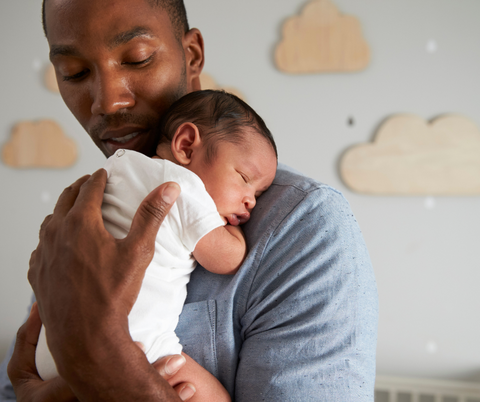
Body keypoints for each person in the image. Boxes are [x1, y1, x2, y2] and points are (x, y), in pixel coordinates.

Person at [0, 0, 379, 400]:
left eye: (138, 59)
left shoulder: (304, 227)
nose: (108, 101)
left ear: (192, 55)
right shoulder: (83, 216)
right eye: (74, 73)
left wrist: (109, 367)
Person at [35, 89, 278, 396]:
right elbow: (227, 259)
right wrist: (233, 232)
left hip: (51, 350)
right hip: (135, 345)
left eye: (258, 195)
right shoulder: (184, 187)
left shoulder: (117, 168)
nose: (250, 202)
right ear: (186, 145)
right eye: (244, 178)